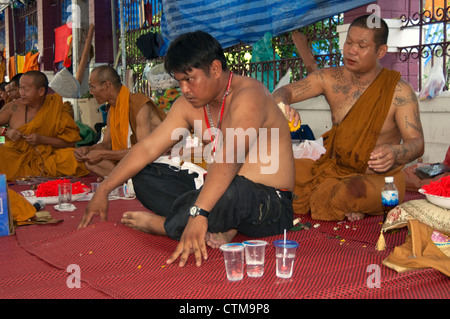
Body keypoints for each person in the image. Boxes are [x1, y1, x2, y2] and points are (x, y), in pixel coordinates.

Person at [78, 31, 295, 268]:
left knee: (232, 189)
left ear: (214, 69)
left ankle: (165, 225)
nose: (184, 89)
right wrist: (105, 188)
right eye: (179, 81)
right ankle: (215, 223)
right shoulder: (187, 105)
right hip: (218, 190)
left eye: (189, 79)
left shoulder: (249, 95)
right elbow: (148, 147)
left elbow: (230, 161)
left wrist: (199, 213)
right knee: (144, 175)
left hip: (268, 203)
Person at [272, 15, 424, 222]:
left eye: (362, 45)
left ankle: (359, 204)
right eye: (349, 42)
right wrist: (283, 107)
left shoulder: (399, 92)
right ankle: (351, 205)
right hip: (334, 169)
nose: (351, 50)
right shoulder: (330, 79)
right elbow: (284, 92)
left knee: (347, 192)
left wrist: (395, 152)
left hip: (378, 178)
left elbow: (417, 142)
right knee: (279, 169)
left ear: (381, 51)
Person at [73, 65, 166, 177]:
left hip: (156, 159)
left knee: (108, 160)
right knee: (89, 162)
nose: (91, 92)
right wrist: (88, 149)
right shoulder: (113, 110)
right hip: (132, 160)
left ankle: (120, 179)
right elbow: (106, 144)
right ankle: (122, 178)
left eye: (92, 87)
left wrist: (104, 155)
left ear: (107, 86)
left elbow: (144, 151)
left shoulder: (139, 105)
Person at [0, 71, 89, 181]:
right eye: (20, 88)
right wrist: (5, 131)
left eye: (25, 89)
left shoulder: (54, 108)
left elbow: (70, 142)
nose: (21, 93)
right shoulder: (13, 107)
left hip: (47, 157)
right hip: (15, 157)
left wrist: (43, 139)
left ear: (41, 91)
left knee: (74, 156)